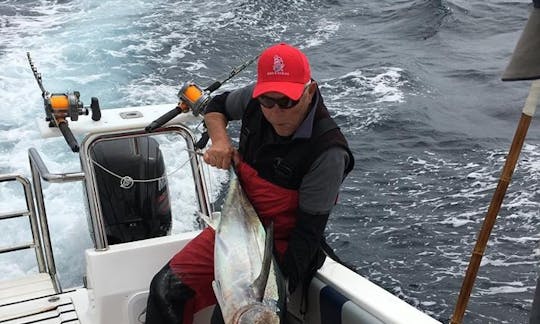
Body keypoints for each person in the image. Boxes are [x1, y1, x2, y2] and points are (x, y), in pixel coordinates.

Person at [145, 42, 354, 324]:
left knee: (228, 316)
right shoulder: (256, 99)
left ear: (310, 91)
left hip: (279, 242)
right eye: (268, 101)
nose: (276, 111)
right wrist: (220, 141)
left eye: (287, 102)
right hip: (236, 225)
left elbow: (307, 234)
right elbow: (216, 106)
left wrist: (275, 291)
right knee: (163, 290)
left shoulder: (327, 152)